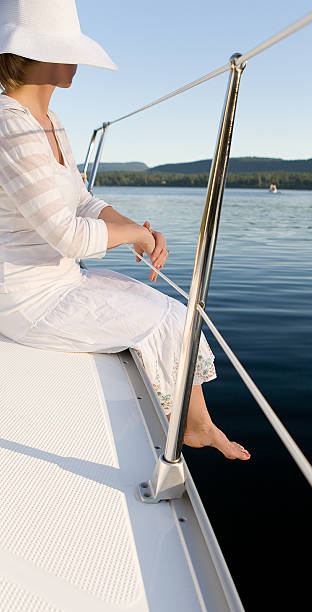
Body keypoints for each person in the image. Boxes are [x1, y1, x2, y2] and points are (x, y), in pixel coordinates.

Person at [0, 0, 250, 461]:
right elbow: (68, 235)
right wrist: (134, 236)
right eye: (68, 48)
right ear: (39, 55)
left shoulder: (50, 122)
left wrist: (136, 228)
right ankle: (198, 429)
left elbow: (83, 202)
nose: (77, 60)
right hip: (28, 300)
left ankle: (198, 426)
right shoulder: (8, 125)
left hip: (60, 281)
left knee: (175, 312)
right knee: (170, 320)